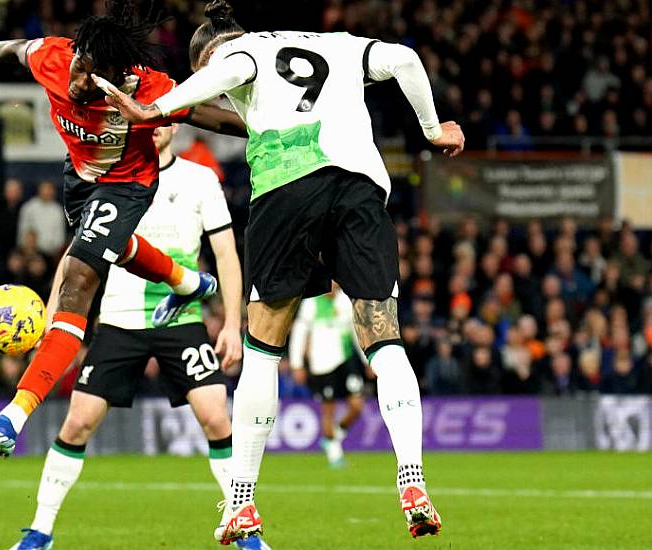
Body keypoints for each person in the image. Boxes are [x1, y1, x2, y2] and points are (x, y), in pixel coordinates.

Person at [102, 0, 464, 542]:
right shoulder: (340, 45)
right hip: (361, 190)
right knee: (385, 341)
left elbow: (229, 70)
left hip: (287, 191)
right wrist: (433, 130)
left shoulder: (237, 53)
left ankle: (242, 501)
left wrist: (153, 111)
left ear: (207, 54)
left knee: (263, 349)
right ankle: (411, 475)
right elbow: (408, 60)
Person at [0, 0, 246, 458]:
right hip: (79, 180)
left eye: (90, 75)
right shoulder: (56, 58)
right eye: (79, 66)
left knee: (77, 280)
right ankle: (188, 282)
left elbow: (207, 115)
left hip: (128, 185)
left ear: (116, 74)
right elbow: (19, 47)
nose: (77, 80)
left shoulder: (147, 88)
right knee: (117, 248)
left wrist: (265, 126)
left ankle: (12, 416)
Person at [10, 125, 265, 550]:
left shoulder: (200, 179)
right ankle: (40, 531)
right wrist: (55, 311)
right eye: (152, 118)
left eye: (166, 118)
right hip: (119, 318)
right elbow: (78, 253)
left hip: (180, 317)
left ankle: (245, 530)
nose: (159, 127)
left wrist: (234, 325)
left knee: (217, 417)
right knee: (78, 422)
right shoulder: (111, 181)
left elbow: (225, 255)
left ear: (176, 124)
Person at [289, 284, 366, 469]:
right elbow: (299, 334)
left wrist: (366, 359)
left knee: (357, 406)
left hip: (346, 360)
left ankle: (333, 438)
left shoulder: (345, 301)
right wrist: (297, 364)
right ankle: (334, 455)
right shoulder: (311, 303)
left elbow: (356, 333)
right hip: (322, 364)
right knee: (328, 410)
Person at [16, 180, 69, 258]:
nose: (47, 192)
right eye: (45, 189)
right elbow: (22, 232)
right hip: (30, 252)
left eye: (49, 189)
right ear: (39, 190)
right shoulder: (28, 207)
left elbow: (60, 237)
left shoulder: (58, 210)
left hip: (51, 253)